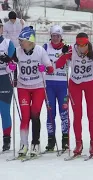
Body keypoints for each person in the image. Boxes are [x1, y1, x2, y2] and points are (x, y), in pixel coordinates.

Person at [56, 32, 93, 156]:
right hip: (75, 84)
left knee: (91, 114)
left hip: (90, 84)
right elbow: (59, 65)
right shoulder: (72, 50)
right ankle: (78, 142)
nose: (81, 48)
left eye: (83, 45)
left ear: (87, 43)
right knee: (77, 114)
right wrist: (64, 54)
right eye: (79, 45)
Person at [13, 26, 54, 156]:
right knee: (25, 116)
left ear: (29, 41)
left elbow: (50, 68)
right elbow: (11, 65)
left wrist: (45, 68)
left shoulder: (40, 50)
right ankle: (23, 144)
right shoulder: (18, 51)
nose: (20, 43)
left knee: (35, 114)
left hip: (38, 87)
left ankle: (35, 143)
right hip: (23, 86)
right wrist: (11, 66)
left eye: (22, 40)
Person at [43, 25, 69, 152]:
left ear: (61, 36)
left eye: (58, 36)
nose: (55, 38)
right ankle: (51, 140)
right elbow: (39, 64)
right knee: (50, 113)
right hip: (49, 85)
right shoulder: (45, 47)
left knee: (64, 113)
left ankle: (65, 140)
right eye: (53, 36)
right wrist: (44, 68)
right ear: (50, 36)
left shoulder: (67, 48)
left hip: (62, 84)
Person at [0, 19, 16, 152]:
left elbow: (13, 65)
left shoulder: (8, 43)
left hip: (4, 79)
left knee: (4, 111)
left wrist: (8, 61)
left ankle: (6, 140)